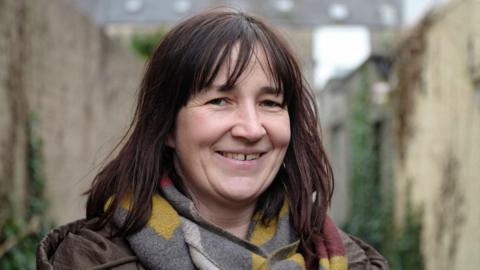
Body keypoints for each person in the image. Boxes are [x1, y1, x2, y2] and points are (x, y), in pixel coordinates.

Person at [37, 9, 388, 270]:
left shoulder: (348, 262)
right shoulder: (90, 261)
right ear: (167, 126)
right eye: (220, 100)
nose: (251, 129)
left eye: (270, 103)